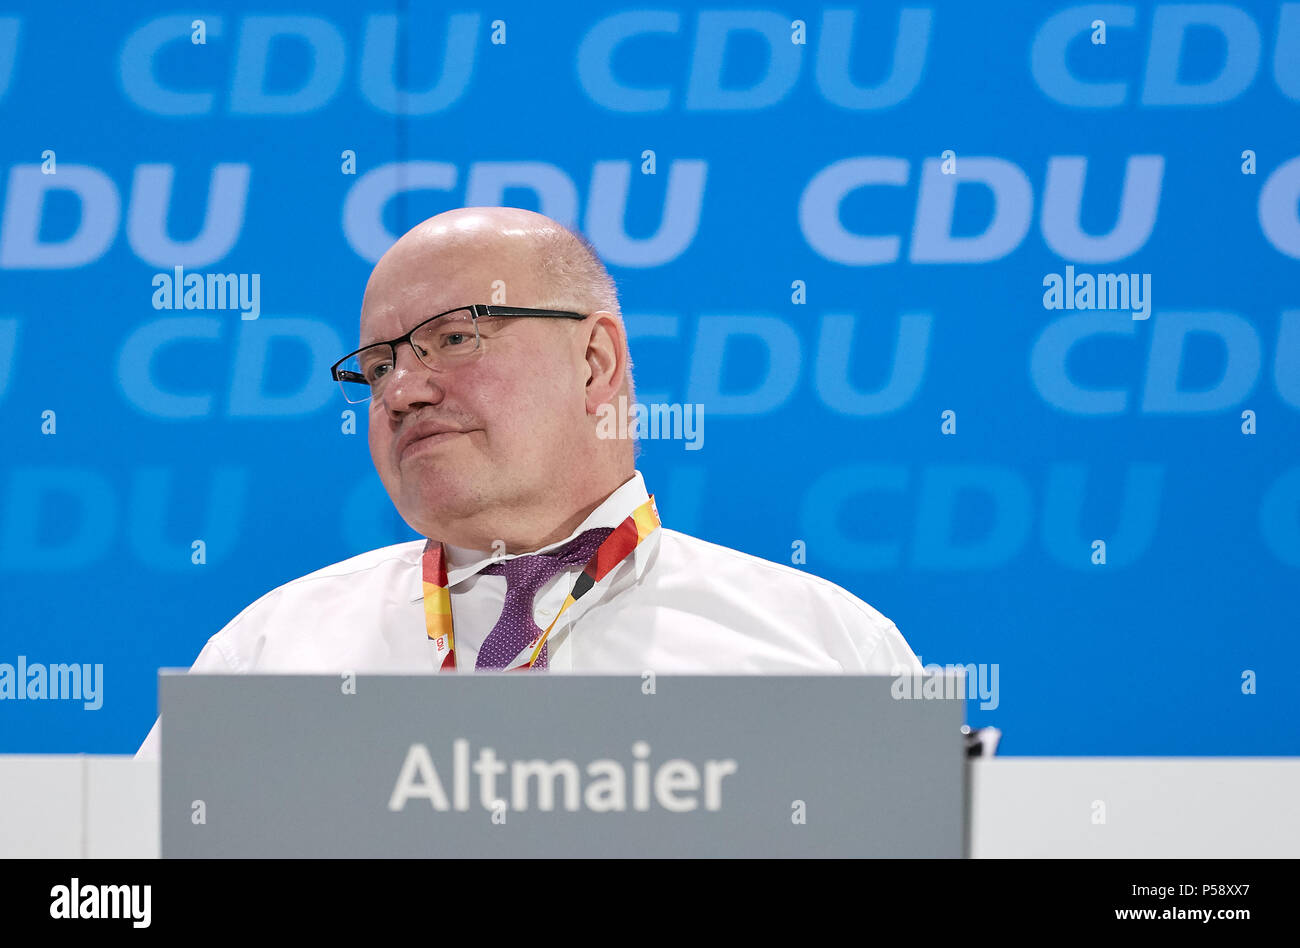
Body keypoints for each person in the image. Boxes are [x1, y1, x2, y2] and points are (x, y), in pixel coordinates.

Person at [136, 207, 920, 758]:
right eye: (378, 366)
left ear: (595, 362)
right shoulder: (267, 662)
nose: (401, 390)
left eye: (454, 337)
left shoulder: (826, 655)